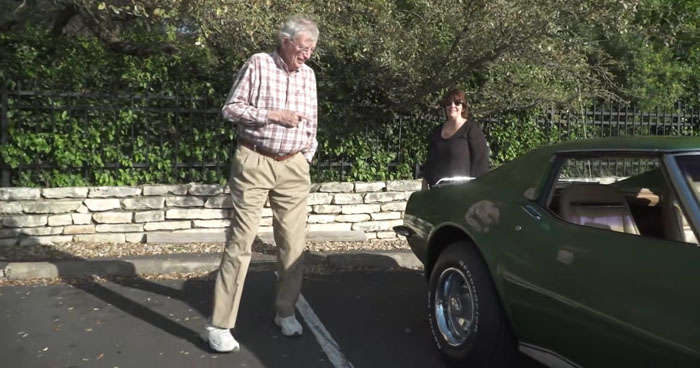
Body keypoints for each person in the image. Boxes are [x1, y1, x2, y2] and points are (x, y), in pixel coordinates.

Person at [204, 16, 319, 353]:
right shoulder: (258, 64)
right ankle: (220, 324)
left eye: (312, 49)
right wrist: (272, 115)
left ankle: (285, 312)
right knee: (241, 242)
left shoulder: (309, 76)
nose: (307, 55)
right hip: (254, 160)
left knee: (293, 245)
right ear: (285, 42)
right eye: (303, 48)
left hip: (293, 166)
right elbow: (231, 109)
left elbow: (312, 123)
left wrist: (305, 157)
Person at [422, 88, 489, 188]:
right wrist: (425, 183)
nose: (452, 106)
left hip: (462, 194)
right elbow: (430, 162)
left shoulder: (471, 130)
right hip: (437, 193)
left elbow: (481, 165)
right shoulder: (437, 131)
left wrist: (476, 191)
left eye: (457, 103)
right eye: (449, 103)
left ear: (463, 107)